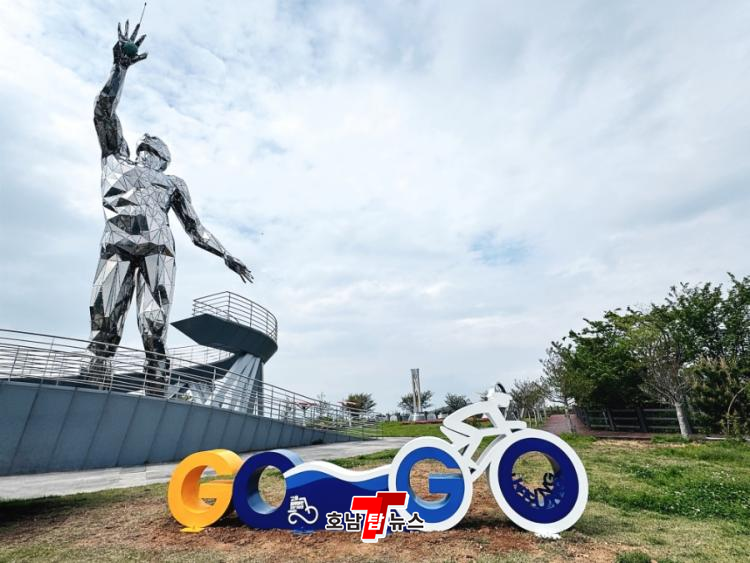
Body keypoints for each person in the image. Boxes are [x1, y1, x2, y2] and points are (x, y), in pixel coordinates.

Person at [85, 21, 252, 395]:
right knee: (105, 316)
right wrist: (119, 69)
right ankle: (97, 376)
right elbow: (103, 112)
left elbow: (196, 229)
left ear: (163, 159)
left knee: (153, 322)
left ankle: (156, 381)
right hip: (117, 244)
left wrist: (226, 254)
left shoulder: (173, 182)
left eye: (154, 147)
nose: (147, 146)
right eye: (145, 145)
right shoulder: (116, 159)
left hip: (158, 249)